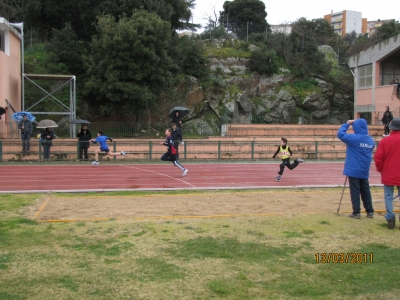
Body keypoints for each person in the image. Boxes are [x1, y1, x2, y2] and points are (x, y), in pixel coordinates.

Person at [337, 119, 375, 219]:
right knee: (366, 190)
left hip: (353, 169)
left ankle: (356, 212)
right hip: (364, 169)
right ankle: (370, 211)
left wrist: (347, 124)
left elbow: (340, 134)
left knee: (355, 191)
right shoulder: (370, 140)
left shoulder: (354, 138)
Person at [374, 118, 400, 229]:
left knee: (388, 196)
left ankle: (390, 217)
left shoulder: (385, 141)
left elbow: (378, 157)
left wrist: (381, 169)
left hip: (389, 172)